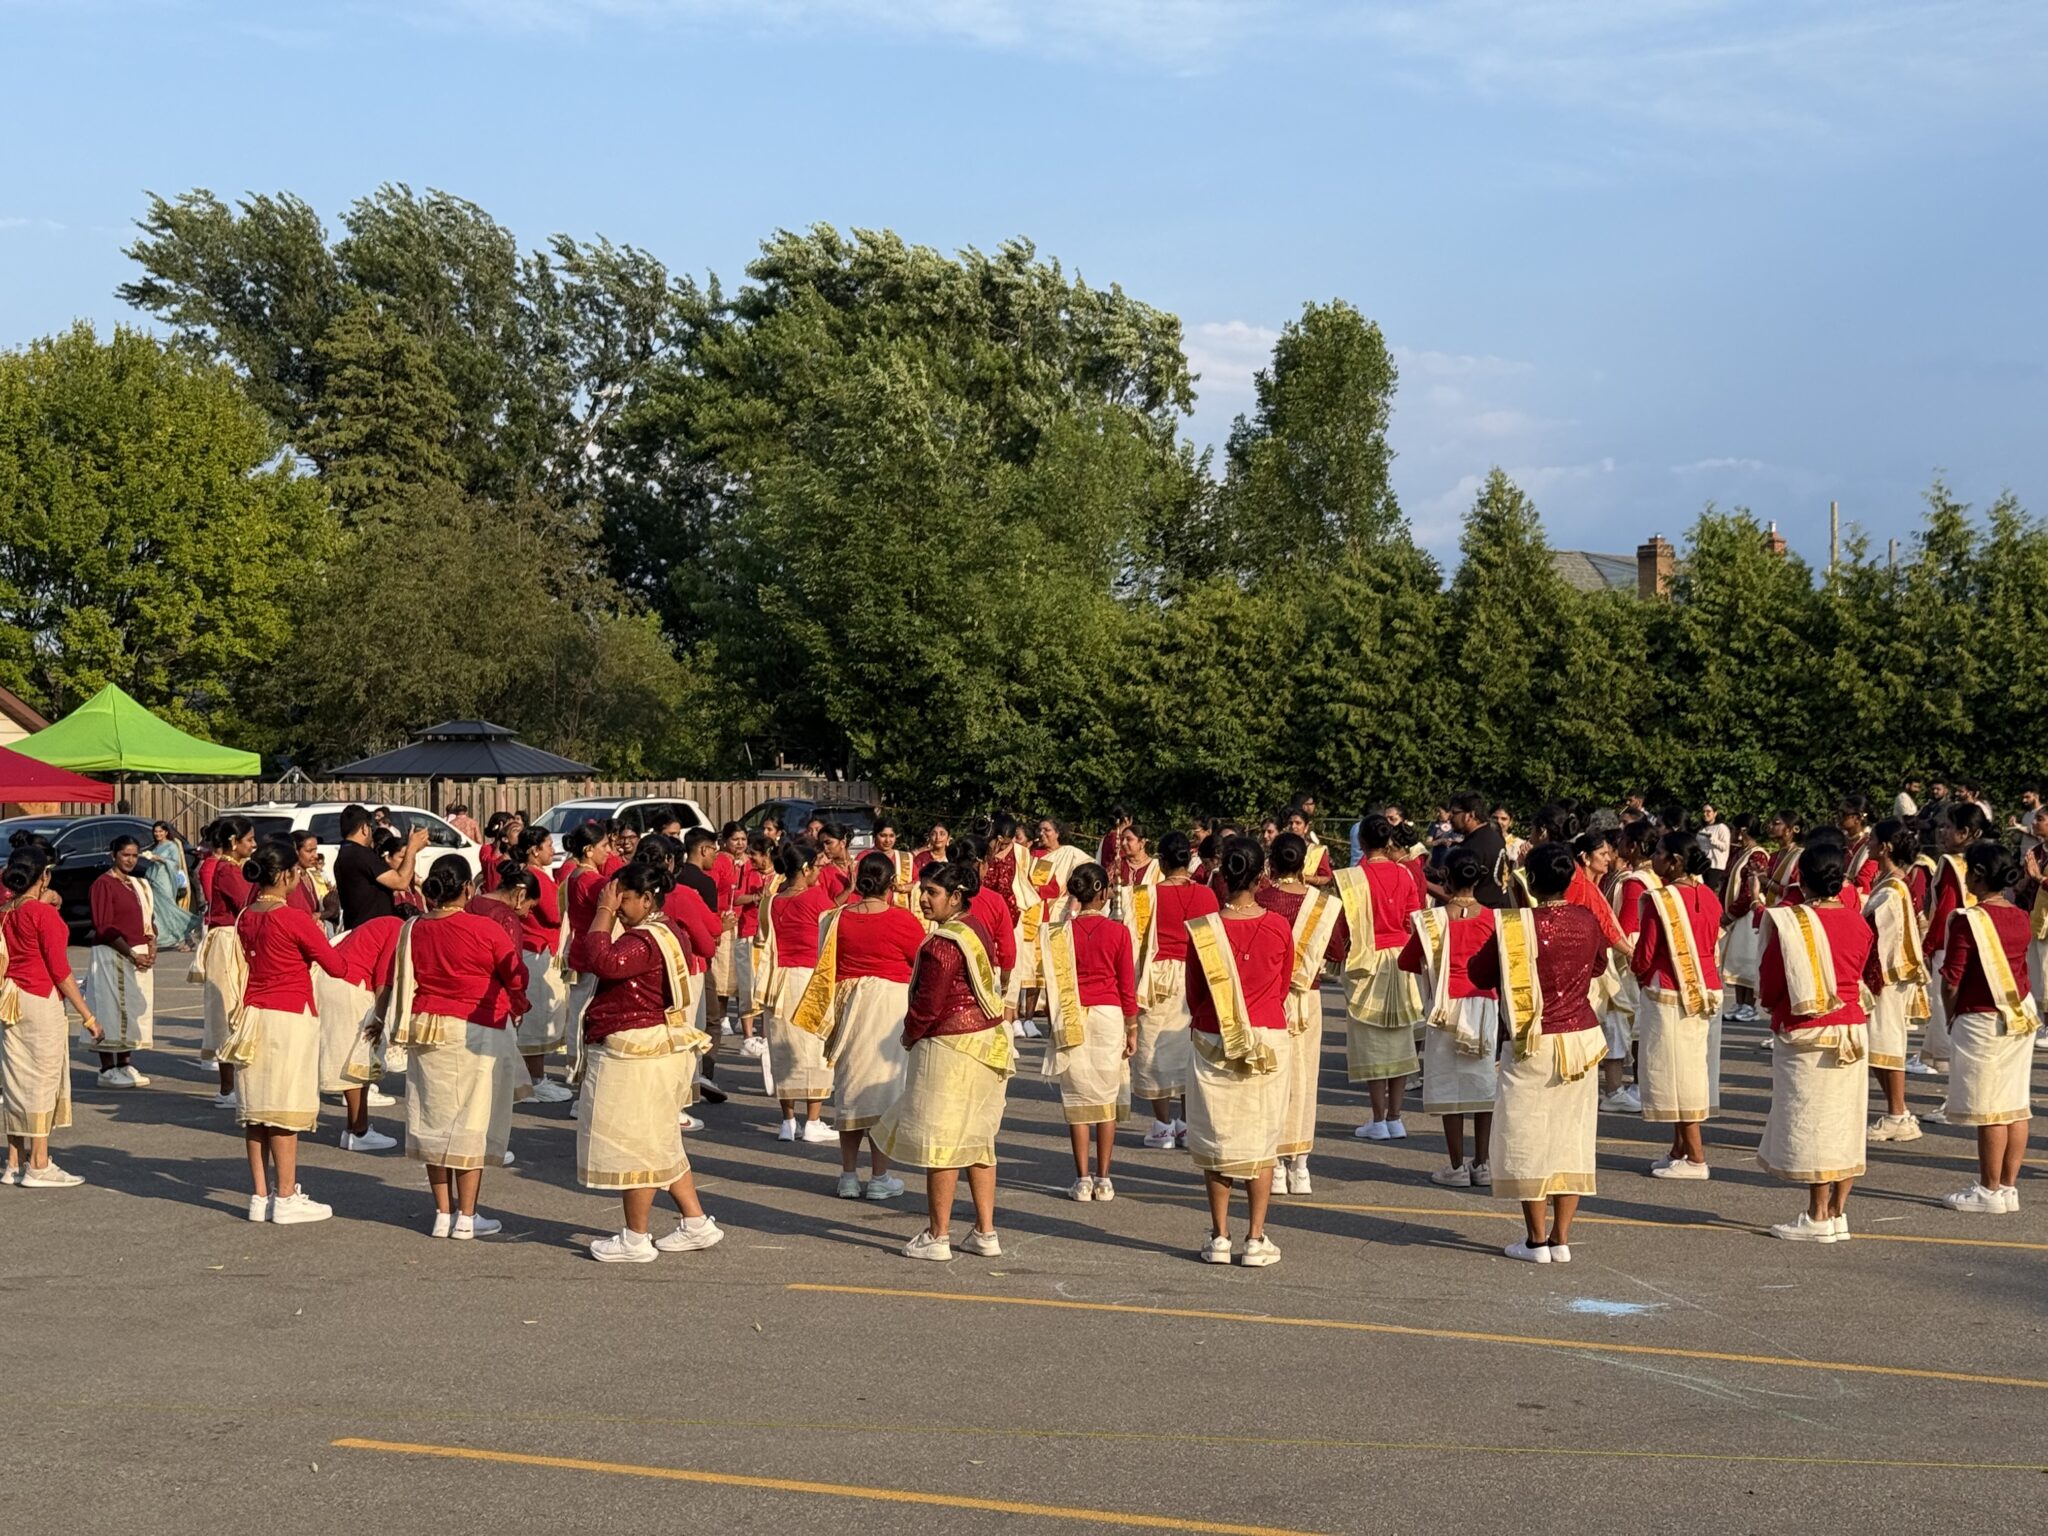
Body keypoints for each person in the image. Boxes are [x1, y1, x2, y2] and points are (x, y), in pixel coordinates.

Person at [569, 862, 726, 1262]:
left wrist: (602, 912)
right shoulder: (666, 929)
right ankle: (696, 1222)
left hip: (637, 1050)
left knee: (634, 1145)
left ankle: (636, 1238)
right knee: (658, 1140)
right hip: (654, 1044)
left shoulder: (643, 939)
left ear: (647, 898)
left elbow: (600, 960)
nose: (618, 905)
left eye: (624, 898)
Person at [1467, 841, 1608, 1263]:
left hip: (1531, 1037)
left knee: (1528, 1134)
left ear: (1531, 879)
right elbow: (1599, 965)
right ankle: (1561, 1238)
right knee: (1572, 1135)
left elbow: (1480, 972)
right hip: (1579, 1038)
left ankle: (1536, 1239)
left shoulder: (1515, 926)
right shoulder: (1586, 918)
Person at [378, 856, 530, 1236]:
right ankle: (467, 1215)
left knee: (434, 1119)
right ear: (467, 889)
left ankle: (443, 1213)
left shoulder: (412, 929)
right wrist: (519, 1003)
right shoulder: (484, 928)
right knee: (471, 1123)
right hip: (476, 1029)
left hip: (427, 1027)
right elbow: (515, 975)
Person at [873, 859, 1013, 1260]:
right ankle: (985, 1232)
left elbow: (927, 1005)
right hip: (986, 1042)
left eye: (932, 892)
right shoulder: (975, 928)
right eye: (922, 890)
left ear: (956, 897)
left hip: (950, 1049)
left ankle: (938, 1236)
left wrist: (908, 1035)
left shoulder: (942, 944)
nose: (923, 899)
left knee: (943, 1144)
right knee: (979, 1140)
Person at [1756, 842, 1884, 1242]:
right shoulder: (1858, 921)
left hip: (1808, 1027)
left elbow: (1772, 981)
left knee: (1813, 1123)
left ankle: (1816, 1214)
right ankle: (1837, 1212)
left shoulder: (1792, 921)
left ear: (1801, 878)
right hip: (1852, 1026)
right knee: (1845, 1120)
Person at [1181, 835, 1291, 1267]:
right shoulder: (1279, 925)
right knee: (1261, 1136)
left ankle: (1220, 1235)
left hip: (1213, 1036)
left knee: (1218, 1136)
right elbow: (1281, 987)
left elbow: (1194, 994)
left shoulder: (1204, 928)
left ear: (1222, 875)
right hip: (1265, 1033)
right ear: (1261, 876)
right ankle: (1256, 1237)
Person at [227, 840, 349, 1224]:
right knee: (283, 1109)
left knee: (255, 1111)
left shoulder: (246, 915)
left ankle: (260, 1194)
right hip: (289, 1015)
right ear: (284, 875)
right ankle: (286, 1194)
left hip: (254, 1013)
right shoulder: (293, 917)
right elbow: (337, 967)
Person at [790, 850, 922, 1199]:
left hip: (848, 1002)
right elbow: (920, 962)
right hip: (889, 1005)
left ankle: (848, 1175)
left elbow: (825, 962)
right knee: (883, 1089)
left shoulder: (835, 918)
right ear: (892, 883)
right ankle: (880, 1177)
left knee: (849, 1088)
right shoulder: (904, 920)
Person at [1937, 840, 2040, 1212]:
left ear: (1978, 874)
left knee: (1991, 1108)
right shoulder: (2018, 914)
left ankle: (1989, 1189)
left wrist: (1950, 1014)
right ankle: (2007, 1188)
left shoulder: (1969, 919)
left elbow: (1952, 979)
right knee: (2015, 1104)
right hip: (2019, 1011)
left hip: (1983, 1013)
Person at [1399, 846, 1497, 1188]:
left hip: (1444, 1005)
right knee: (1484, 1086)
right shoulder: (1493, 918)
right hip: (1484, 1005)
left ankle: (1456, 1165)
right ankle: (1482, 1162)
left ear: (1447, 878)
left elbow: (1406, 962)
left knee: (1449, 1087)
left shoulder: (1432, 920)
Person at [2, 848, 101, 1187]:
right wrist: (88, 1015)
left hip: (11, 997)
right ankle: (39, 1163)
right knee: (42, 1079)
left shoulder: (5, 912)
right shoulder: (42, 915)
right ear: (43, 876)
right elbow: (60, 971)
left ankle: (14, 1160)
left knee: (15, 1079)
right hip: (40, 997)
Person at [1039, 863, 1137, 1201]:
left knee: (1078, 1099)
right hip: (1109, 1015)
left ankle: (1082, 1178)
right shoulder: (1118, 931)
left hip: (1072, 1015)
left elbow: (1050, 986)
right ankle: (1104, 1177)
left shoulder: (1059, 934)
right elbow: (1127, 984)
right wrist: (1132, 1026)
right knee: (1105, 1098)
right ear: (1104, 892)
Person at [1255, 832, 1345, 1194]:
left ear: (1272, 863)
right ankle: (1301, 1166)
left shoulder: (1260, 900)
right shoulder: (1323, 905)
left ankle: (1274, 1164)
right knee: (1305, 1078)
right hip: (1307, 996)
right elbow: (1338, 950)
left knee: (1272, 1076)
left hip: (1268, 996)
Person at [1631, 831, 1724, 1179]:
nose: (1651, 858)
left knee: (1677, 1074)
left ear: (1675, 861)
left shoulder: (1661, 899)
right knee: (1688, 1068)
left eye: (1657, 853)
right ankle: (1679, 1149)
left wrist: (1637, 970)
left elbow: (1646, 952)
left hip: (1670, 989)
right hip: (1704, 987)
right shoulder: (1708, 895)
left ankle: (1697, 1156)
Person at [1335, 814, 1426, 1139]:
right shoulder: (1404, 874)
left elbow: (1343, 926)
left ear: (1361, 842)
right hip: (1400, 958)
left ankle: (1377, 1118)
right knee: (1401, 1039)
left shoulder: (1351, 877)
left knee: (1372, 1040)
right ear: (1388, 840)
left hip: (1366, 959)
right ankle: (1395, 1116)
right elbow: (1414, 919)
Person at [1130, 831, 1214, 1152]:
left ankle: (1163, 1125)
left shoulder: (1145, 895)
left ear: (1162, 862)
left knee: (1155, 1049)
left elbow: (1136, 942)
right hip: (1195, 973)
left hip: (1157, 976)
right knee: (1189, 1049)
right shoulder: (1206, 895)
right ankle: (1186, 1122)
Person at [764, 839, 838, 1141]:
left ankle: (788, 1121)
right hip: (809, 977)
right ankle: (813, 1121)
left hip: (779, 979)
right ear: (805, 868)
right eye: (816, 867)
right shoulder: (817, 898)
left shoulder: (774, 899)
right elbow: (836, 929)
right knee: (814, 1048)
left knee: (782, 1046)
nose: (819, 871)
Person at [314, 908, 404, 1155]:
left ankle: (354, 1129)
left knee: (353, 1058)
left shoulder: (380, 922)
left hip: (335, 982)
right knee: (357, 1060)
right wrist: (380, 1017)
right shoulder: (398, 929)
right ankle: (359, 1131)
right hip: (351, 986)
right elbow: (384, 979)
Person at [1864, 819, 1931, 1143]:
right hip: (1884, 974)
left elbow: (1883, 936)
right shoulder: (1887, 880)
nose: (1867, 842)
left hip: (1887, 975)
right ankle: (1897, 1112)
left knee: (1887, 1046)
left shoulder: (1893, 888)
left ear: (1885, 847)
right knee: (1878, 1047)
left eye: (1873, 839)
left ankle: (1897, 1114)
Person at [1913, 802, 1989, 1088]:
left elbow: (1945, 909)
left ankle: (1953, 1084)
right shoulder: (1982, 858)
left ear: (1966, 832)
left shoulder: (1950, 864)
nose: (1942, 832)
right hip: (1979, 937)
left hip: (1950, 942)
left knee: (1946, 1007)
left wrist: (1928, 945)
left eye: (1948, 826)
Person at [500, 827, 571, 1102]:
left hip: (540, 949)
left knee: (541, 1016)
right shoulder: (536, 877)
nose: (553, 851)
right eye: (547, 846)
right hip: (536, 949)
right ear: (534, 850)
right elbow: (554, 914)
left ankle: (534, 1076)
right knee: (537, 1018)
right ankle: (535, 1078)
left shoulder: (537, 874)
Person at [1597, 819, 1660, 1114]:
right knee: (1636, 1021)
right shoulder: (1654, 877)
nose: (1618, 848)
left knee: (1626, 1019)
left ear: (1633, 847)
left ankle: (1630, 1083)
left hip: (1629, 951)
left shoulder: (1635, 881)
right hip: (1645, 948)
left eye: (1623, 842)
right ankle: (1637, 1081)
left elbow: (1626, 925)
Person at [193, 815, 256, 1107]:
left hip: (233, 939)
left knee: (236, 1007)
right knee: (228, 1009)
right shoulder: (228, 871)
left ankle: (232, 1084)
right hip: (228, 940)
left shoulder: (236, 868)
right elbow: (246, 905)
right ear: (234, 842)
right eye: (249, 840)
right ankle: (227, 1087)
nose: (253, 845)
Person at [86, 835, 157, 1088]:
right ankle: (107, 1068)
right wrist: (131, 954)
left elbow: (150, 920)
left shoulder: (139, 884)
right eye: (125, 855)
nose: (130, 860)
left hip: (137, 953)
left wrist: (151, 947)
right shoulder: (104, 884)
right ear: (114, 854)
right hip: (112, 953)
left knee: (132, 1010)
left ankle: (125, 1063)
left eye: (134, 855)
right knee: (108, 1008)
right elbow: (103, 926)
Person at [1717, 815, 1767, 1022]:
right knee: (1735, 959)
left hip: (1748, 914)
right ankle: (1738, 1003)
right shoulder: (1740, 852)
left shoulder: (1758, 855)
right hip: (1737, 914)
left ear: (1743, 830)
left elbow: (1750, 889)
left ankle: (1750, 1005)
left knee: (1748, 959)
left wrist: (1731, 913)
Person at [737, 832, 778, 1058]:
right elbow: (736, 899)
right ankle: (748, 1037)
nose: (751, 858)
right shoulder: (747, 871)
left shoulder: (779, 875)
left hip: (770, 937)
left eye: (754, 854)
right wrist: (755, 898)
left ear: (767, 854)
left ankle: (765, 1036)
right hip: (748, 933)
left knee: (766, 984)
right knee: (747, 984)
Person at [1442, 791, 1511, 907]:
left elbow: (1459, 898)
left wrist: (1424, 883)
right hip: (1501, 909)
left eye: (1454, 813)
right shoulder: (1494, 835)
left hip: (1480, 914)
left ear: (1471, 815)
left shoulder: (1472, 849)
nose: (1450, 818)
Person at [143, 821, 199, 949]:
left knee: (169, 909)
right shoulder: (156, 846)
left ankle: (188, 930)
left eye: (160, 831)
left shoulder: (171, 846)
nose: (158, 834)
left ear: (166, 832)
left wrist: (160, 859)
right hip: (154, 881)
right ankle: (166, 937)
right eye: (156, 832)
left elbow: (175, 864)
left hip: (165, 882)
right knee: (159, 912)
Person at [1696, 804, 1731, 899]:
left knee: (1708, 892)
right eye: (1703, 811)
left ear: (1715, 813)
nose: (1705, 814)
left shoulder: (1721, 828)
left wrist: (1712, 839)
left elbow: (1725, 846)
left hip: (1715, 866)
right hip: (1702, 864)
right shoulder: (1702, 829)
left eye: (1708, 811)